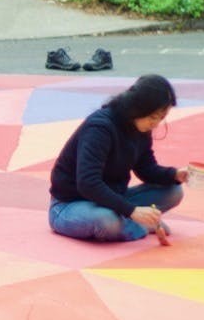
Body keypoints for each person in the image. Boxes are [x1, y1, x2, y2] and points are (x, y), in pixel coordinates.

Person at [47, 74, 187, 243]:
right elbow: (87, 183)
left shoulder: (140, 128)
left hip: (111, 199)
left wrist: (175, 175)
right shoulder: (100, 128)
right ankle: (139, 226)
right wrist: (132, 211)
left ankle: (128, 222)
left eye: (161, 118)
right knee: (107, 222)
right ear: (138, 108)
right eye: (153, 117)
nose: (155, 124)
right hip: (70, 205)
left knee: (173, 191)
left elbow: (146, 169)